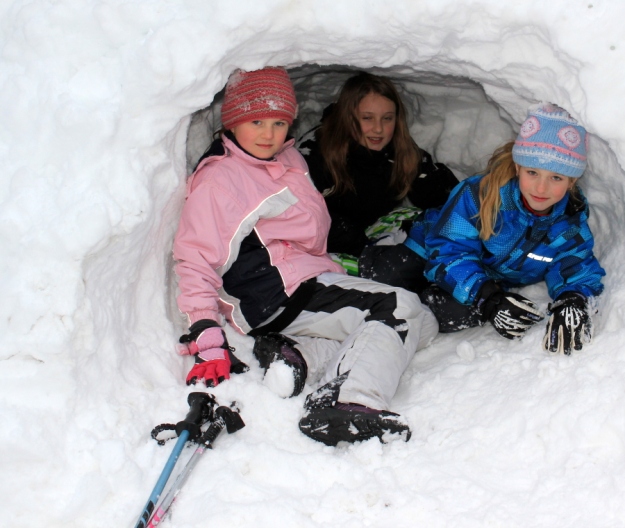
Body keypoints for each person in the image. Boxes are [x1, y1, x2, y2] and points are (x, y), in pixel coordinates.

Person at [172, 67, 438, 446]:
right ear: (232, 121)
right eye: (257, 121)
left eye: (279, 122)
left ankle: (301, 358)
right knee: (399, 308)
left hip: (305, 278)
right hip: (276, 294)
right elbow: (195, 256)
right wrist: (205, 331)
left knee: (422, 324)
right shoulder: (223, 179)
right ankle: (349, 399)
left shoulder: (287, 157)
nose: (269, 133)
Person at [360, 103, 605, 355]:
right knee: (388, 276)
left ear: (572, 181)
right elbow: (448, 249)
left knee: (445, 313)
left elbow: (575, 266)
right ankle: (374, 251)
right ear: (518, 167)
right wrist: (488, 297)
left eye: (556, 178)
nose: (541, 189)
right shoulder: (480, 195)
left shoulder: (568, 224)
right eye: (533, 172)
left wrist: (572, 300)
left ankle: (427, 297)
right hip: (431, 248)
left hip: (485, 275)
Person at [301, 72, 459, 258]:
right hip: (326, 246)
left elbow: (445, 196)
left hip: (373, 232)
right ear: (347, 117)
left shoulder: (398, 149)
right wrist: (365, 249)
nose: (378, 128)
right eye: (367, 118)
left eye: (387, 118)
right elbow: (306, 216)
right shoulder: (316, 151)